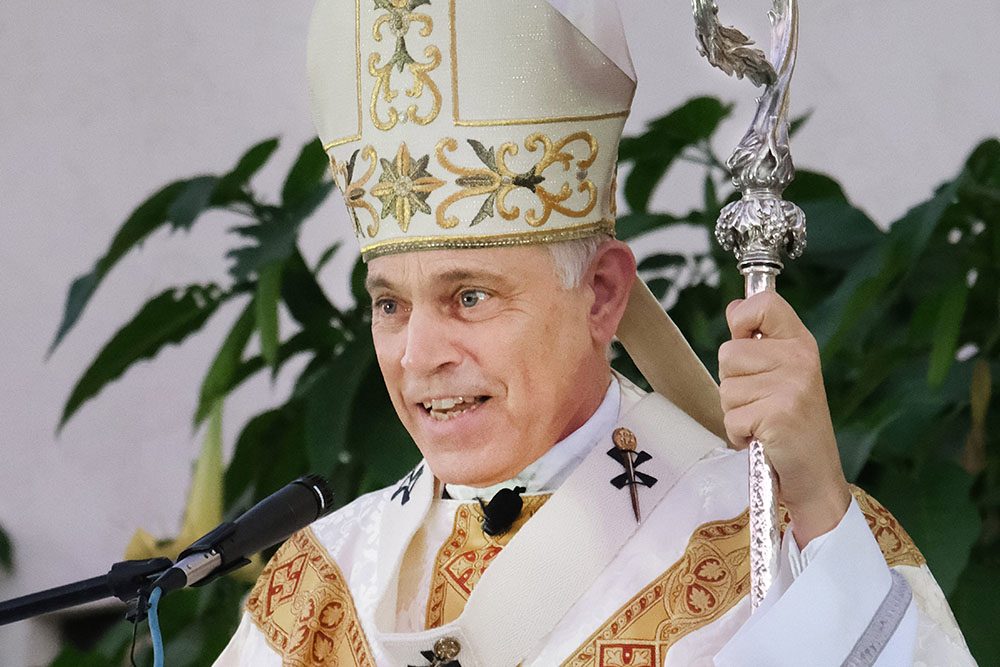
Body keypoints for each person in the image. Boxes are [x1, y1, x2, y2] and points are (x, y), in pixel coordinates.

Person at [215, 1, 975, 664]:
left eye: (470, 296)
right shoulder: (320, 587)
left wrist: (815, 504)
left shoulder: (778, 540)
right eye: (390, 305)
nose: (418, 355)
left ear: (602, 294)